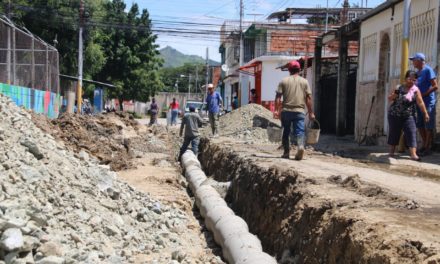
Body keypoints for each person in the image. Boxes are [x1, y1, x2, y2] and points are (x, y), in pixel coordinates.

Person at [274, 60, 315, 160]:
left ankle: (286, 153)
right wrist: (311, 112)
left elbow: (278, 97)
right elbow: (308, 98)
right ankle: (300, 146)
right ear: (299, 69)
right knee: (299, 131)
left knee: (286, 131)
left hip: (286, 111)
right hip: (299, 111)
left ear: (289, 70)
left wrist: (276, 110)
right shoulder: (304, 82)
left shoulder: (283, 81)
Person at [387, 70, 429, 161]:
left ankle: (413, 154)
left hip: (409, 115)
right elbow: (390, 98)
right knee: (394, 132)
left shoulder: (416, 90)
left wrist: (425, 113)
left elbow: (420, 102)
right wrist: (394, 95)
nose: (412, 81)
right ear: (406, 79)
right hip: (395, 114)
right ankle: (391, 152)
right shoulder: (399, 88)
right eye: (410, 79)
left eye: (414, 80)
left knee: (411, 132)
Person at [410, 52, 438, 156]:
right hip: (419, 102)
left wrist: (424, 94)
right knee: (420, 124)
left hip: (428, 102)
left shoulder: (428, 70)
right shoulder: (418, 72)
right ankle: (425, 145)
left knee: (428, 125)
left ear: (420, 60)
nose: (413, 62)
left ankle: (426, 147)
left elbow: (435, 86)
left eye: (414, 60)